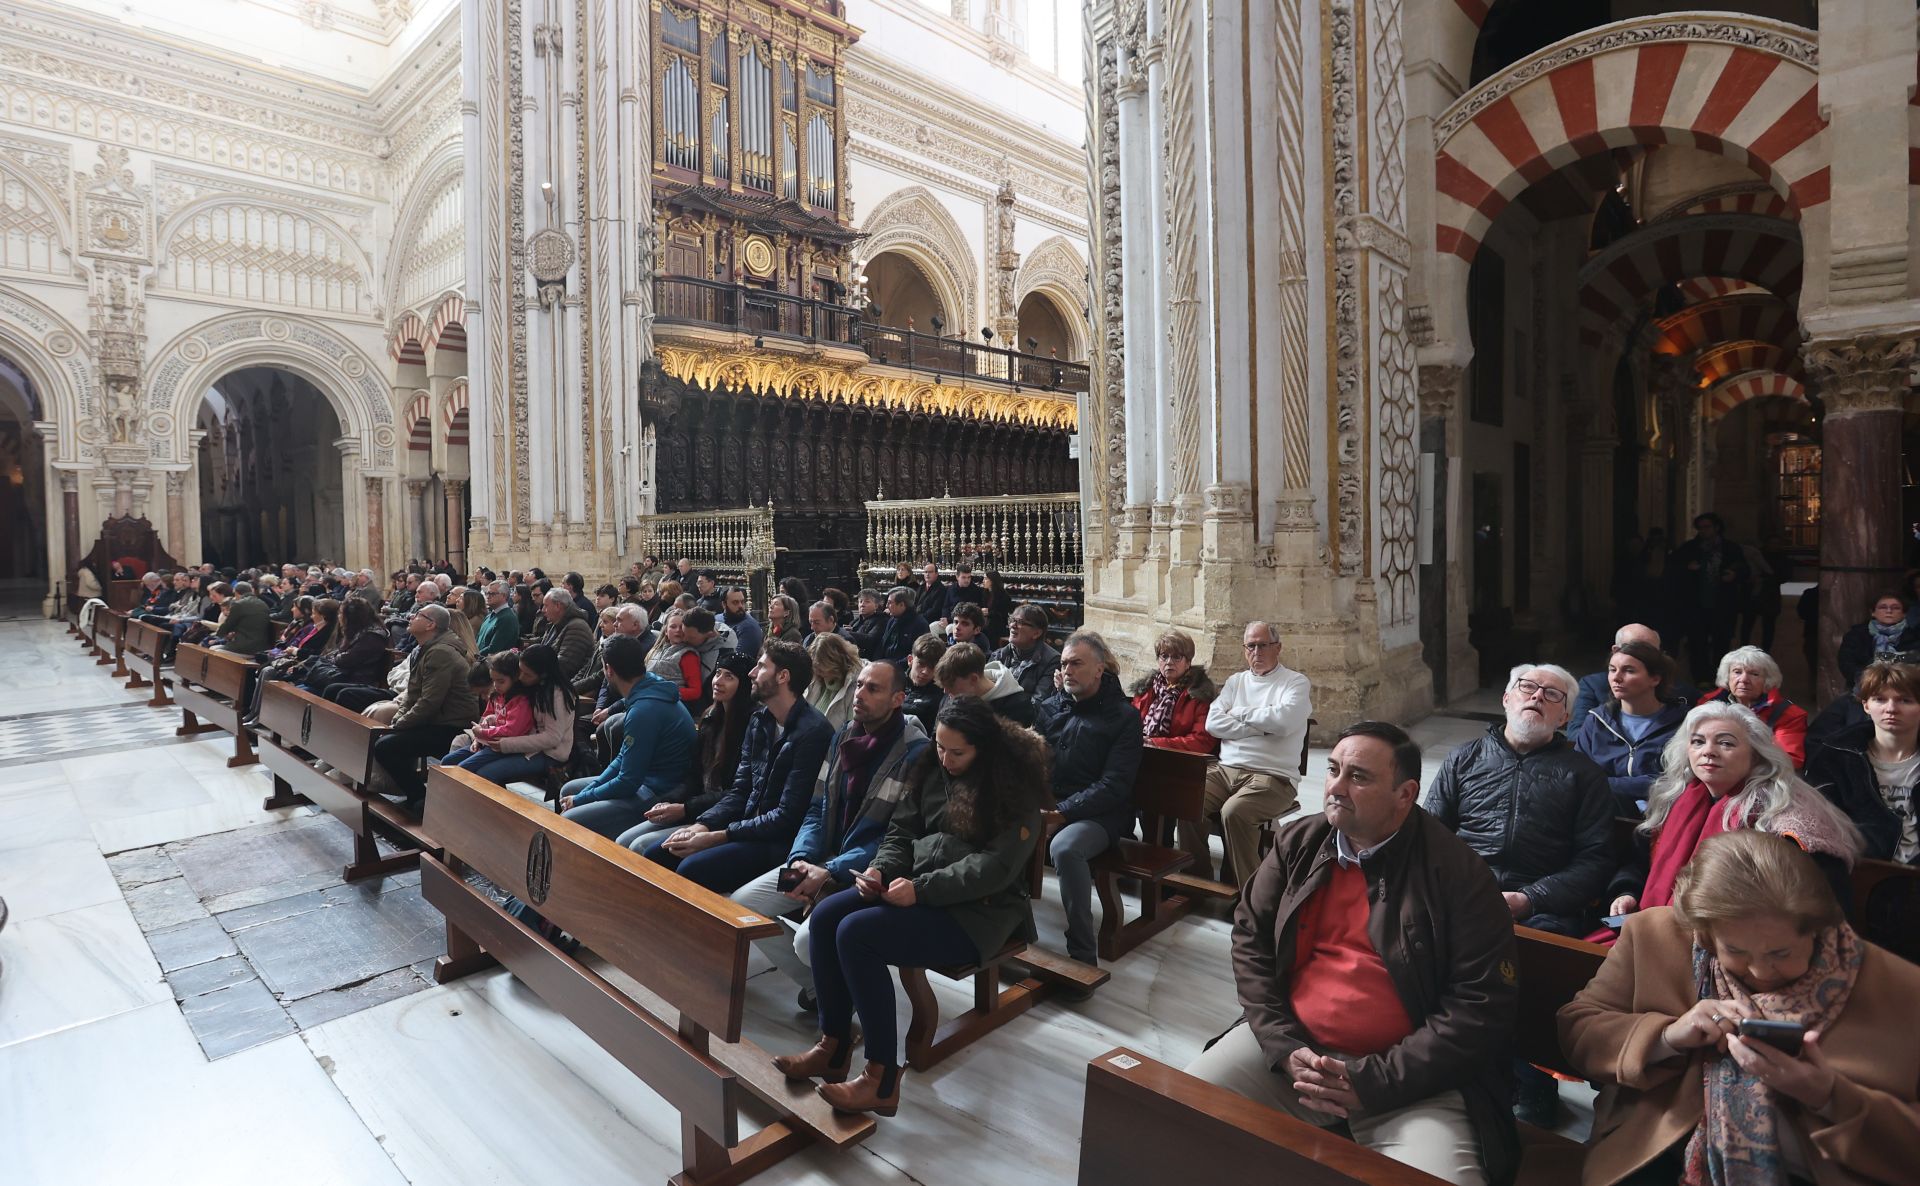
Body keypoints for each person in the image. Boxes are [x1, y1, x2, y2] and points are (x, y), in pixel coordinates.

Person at [1187, 721, 1519, 1186]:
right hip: (1292, 1053)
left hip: (1412, 1083)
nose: (1337, 787)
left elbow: (1479, 1006)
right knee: (1174, 1112)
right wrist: (1282, 1045)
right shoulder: (1298, 843)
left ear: (1405, 794)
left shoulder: (1459, 874)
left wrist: (1372, 1080)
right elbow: (1250, 940)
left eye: (1359, 777)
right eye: (1334, 770)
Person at [1559, 830, 1920, 1186]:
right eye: (1737, 952)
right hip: (1659, 1153)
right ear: (1704, 934)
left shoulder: (1899, 987)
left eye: (1781, 953)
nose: (1761, 972)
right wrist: (1666, 1036)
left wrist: (1827, 1095)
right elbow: (1578, 1029)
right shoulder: (1654, 935)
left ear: (1818, 929)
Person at [773, 695, 1051, 1117]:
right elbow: (902, 830)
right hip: (919, 888)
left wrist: (921, 889)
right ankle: (832, 1046)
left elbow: (993, 868)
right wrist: (882, 871)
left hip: (979, 913)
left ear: (985, 747)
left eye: (957, 752)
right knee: (828, 916)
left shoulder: (1014, 788)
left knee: (857, 934)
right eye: (940, 746)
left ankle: (881, 1078)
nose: (945, 757)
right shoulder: (932, 769)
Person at [732, 659, 929, 1007]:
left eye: (873, 688)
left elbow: (898, 836)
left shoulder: (915, 753)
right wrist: (802, 859)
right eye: (859, 686)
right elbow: (815, 808)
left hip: (864, 872)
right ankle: (820, 989)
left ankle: (843, 994)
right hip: (819, 861)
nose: (860, 694)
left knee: (807, 942)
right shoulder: (844, 736)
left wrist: (832, 870)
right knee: (743, 907)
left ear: (898, 699)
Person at [1607, 701, 1866, 924]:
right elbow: (1639, 862)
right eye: (1698, 741)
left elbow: (1818, 905)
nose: (1708, 751)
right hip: (1657, 925)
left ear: (1756, 755)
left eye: (1726, 743)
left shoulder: (1788, 816)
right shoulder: (1676, 798)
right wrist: (1626, 891)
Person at [1425, 664, 1616, 937]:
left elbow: (1595, 860)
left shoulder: (1585, 776)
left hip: (1543, 909)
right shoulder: (1464, 758)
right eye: (1527, 686)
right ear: (1506, 699)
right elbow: (1430, 834)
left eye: (1552, 694)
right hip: (1462, 893)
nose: (1537, 696)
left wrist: (1531, 899)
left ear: (1565, 716)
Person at [648, 640, 834, 893]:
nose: (752, 673)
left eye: (760, 666)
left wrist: (720, 835)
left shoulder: (814, 732)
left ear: (783, 676)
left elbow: (787, 816)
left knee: (691, 869)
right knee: (657, 853)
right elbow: (740, 790)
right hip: (747, 827)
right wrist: (702, 825)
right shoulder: (760, 721)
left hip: (779, 841)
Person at [1037, 631, 1144, 974]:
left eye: (1077, 663)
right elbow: (1031, 760)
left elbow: (1114, 785)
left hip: (1102, 815)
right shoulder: (1052, 706)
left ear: (1099, 669)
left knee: (1066, 848)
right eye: (1064, 663)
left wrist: (1062, 813)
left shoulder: (1123, 717)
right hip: (1053, 804)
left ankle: (1082, 952)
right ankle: (1008, 932)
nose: (1067, 670)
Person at [1194, 621, 1313, 889]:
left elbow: (1283, 723)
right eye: (1251, 646)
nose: (1256, 652)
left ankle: (1253, 896)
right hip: (1226, 770)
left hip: (1273, 776)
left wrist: (1238, 714)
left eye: (1263, 645)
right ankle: (1196, 879)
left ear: (1278, 648)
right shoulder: (1236, 682)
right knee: (1188, 799)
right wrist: (1263, 725)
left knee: (1234, 812)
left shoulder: (1295, 683)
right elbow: (1213, 724)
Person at [557, 635, 698, 840]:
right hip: (645, 780)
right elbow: (624, 757)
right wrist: (583, 795)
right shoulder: (649, 688)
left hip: (658, 792)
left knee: (571, 818)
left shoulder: (644, 710)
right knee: (570, 790)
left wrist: (581, 800)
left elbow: (629, 781)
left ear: (609, 670)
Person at [618, 651, 756, 856]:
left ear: (743, 684)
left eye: (729, 677)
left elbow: (737, 793)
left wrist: (685, 808)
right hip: (696, 807)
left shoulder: (751, 727)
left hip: (722, 817)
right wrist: (671, 801)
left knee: (640, 846)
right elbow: (694, 776)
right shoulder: (710, 719)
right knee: (624, 840)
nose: (718, 681)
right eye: (718, 673)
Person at [1807, 660, 1920, 865]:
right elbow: (1819, 826)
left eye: (1905, 700)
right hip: (1861, 871)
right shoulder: (1834, 757)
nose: (1891, 709)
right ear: (1866, 705)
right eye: (1880, 699)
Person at [372, 604, 481, 814]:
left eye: (418, 615)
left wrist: (401, 724)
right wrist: (399, 719)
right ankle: (416, 797)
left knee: (386, 747)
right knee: (387, 738)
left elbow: (429, 702)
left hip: (452, 726)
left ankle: (420, 799)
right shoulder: (428, 648)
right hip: (437, 721)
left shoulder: (440, 652)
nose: (411, 617)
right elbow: (413, 693)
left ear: (431, 624)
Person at [1573, 640, 1688, 819]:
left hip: (1664, 816)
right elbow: (1579, 776)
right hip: (1605, 815)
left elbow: (1672, 781)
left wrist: (1604, 783)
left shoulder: (1682, 723)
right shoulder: (1596, 721)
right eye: (1612, 669)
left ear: (1655, 678)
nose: (1616, 677)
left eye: (1629, 670)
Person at [441, 644, 575, 788]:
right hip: (514, 744)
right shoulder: (523, 687)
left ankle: (482, 809)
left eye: (527, 674)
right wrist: (481, 735)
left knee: (484, 774)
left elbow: (552, 738)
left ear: (543, 674)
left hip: (546, 754)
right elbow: (500, 715)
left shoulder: (556, 695)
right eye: (520, 671)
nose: (520, 678)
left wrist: (505, 745)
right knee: (450, 762)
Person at [1667, 512, 1750, 686]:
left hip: (1723, 603)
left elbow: (1745, 570)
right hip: (1696, 605)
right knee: (1698, 642)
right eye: (1700, 528)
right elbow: (1673, 568)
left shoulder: (1730, 548)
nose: (1703, 531)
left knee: (1722, 641)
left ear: (1716, 527)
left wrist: (1734, 574)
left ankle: (1720, 676)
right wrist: (1687, 568)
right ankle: (1701, 677)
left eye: (1707, 527)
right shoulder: (1690, 548)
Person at [1698, 645, 1809, 768]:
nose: (1744, 679)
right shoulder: (1707, 703)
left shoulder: (1787, 714)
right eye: (1737, 672)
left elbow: (1789, 760)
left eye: (1754, 674)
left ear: (1767, 681)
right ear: (1727, 677)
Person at [1570, 624, 1698, 730]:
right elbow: (1577, 733)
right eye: (1635, 651)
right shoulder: (1593, 688)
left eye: (1652, 653)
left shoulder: (1683, 694)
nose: (1647, 659)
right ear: (1615, 651)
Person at [1128, 629, 1219, 754]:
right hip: (1138, 754)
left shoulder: (1199, 695)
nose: (1169, 662)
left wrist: (1157, 744)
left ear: (1188, 662)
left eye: (1176, 657)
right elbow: (1127, 725)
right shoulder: (1146, 690)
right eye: (1164, 656)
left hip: (1177, 763)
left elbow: (1202, 741)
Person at [1837, 591, 1920, 692]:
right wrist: (1868, 679)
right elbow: (1846, 662)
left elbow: (1914, 662)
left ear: (1904, 613)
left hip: (1906, 689)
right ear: (1873, 612)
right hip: (1862, 687)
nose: (1889, 611)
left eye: (1895, 608)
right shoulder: (1857, 634)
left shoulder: (1915, 636)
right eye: (1883, 607)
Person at [992, 604, 1060, 699]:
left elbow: (1038, 703)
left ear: (1036, 633)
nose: (1012, 625)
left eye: (1019, 622)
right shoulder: (998, 656)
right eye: (1012, 620)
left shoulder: (1051, 661)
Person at [804, 631, 861, 734]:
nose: (817, 671)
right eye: (815, 667)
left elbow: (851, 731)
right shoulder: (815, 679)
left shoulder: (856, 687)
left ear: (835, 662)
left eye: (821, 668)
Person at [534, 587, 595, 681]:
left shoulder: (577, 627)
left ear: (558, 606)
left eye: (546, 606)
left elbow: (565, 665)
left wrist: (533, 671)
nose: (543, 610)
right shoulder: (556, 624)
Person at [901, 633, 947, 733]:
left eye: (932, 667)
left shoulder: (940, 695)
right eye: (921, 664)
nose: (925, 671)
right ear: (910, 660)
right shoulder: (893, 682)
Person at [875, 587, 928, 663]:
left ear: (901, 605)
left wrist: (893, 666)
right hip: (885, 664)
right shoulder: (892, 620)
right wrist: (875, 663)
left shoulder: (920, 624)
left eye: (890, 602)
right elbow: (881, 646)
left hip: (901, 669)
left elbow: (917, 654)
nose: (886, 605)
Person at [476, 579, 522, 655]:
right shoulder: (490, 615)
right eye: (487, 593)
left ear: (504, 595)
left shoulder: (507, 618)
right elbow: (479, 639)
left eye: (492, 594)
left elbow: (495, 648)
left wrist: (474, 656)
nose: (488, 596)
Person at [843, 588, 886, 659]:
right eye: (860, 601)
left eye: (867, 602)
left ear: (876, 605)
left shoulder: (882, 620)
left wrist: (848, 633)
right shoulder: (856, 621)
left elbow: (870, 640)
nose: (862, 605)